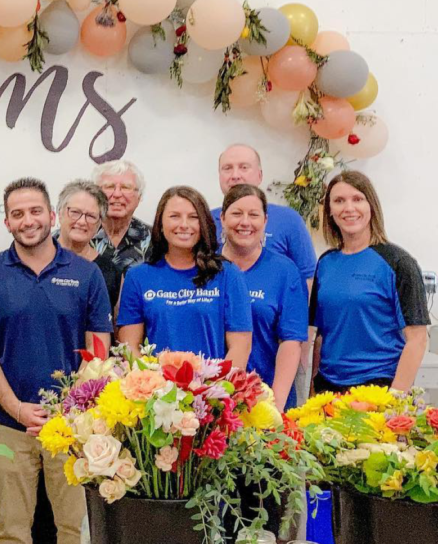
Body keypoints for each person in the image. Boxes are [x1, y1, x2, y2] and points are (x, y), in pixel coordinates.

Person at [0, 177, 111, 544]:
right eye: (17, 214)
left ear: (50, 215)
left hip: (71, 426)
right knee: (11, 533)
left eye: (34, 211)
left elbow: (97, 351)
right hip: (8, 422)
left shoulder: (86, 274)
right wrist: (16, 408)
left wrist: (67, 410)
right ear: (7, 222)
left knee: (76, 531)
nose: (27, 220)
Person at [311, 171, 429, 393]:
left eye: (357, 199)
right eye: (339, 201)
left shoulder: (398, 263)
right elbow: (321, 335)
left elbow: (418, 339)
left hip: (378, 388)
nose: (348, 208)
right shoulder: (326, 263)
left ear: (371, 206)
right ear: (329, 212)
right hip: (329, 388)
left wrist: (395, 399)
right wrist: (313, 392)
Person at [117, 186, 252, 370]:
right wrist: (153, 388)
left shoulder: (227, 274)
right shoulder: (138, 277)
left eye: (193, 217)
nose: (184, 225)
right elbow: (129, 347)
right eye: (174, 216)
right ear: (160, 224)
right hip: (157, 393)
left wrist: (218, 390)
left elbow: (240, 347)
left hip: (212, 392)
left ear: (203, 223)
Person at [219, 185, 308, 410]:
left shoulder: (284, 271)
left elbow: (291, 341)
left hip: (265, 399)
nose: (245, 222)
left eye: (254, 215)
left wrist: (274, 406)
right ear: (222, 218)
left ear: (265, 221)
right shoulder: (205, 270)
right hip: (212, 402)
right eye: (237, 214)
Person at [212, 144, 317, 285]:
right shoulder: (206, 220)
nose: (235, 175)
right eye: (227, 168)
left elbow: (308, 278)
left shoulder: (288, 220)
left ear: (259, 175)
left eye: (244, 167)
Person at [56, 179, 122, 314]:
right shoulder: (36, 261)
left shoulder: (110, 272)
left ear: (99, 224)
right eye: (75, 212)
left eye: (91, 216)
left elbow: (115, 327)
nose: (81, 221)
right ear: (60, 213)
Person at [90, 160, 151, 276]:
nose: (117, 194)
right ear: (95, 194)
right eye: (109, 187)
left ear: (139, 197)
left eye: (126, 187)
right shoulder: (77, 236)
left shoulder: (157, 241)